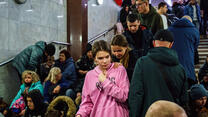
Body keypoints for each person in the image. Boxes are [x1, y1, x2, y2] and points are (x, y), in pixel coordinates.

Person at [129, 29, 188, 117]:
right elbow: (184, 100)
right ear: (171, 44)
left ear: (153, 43)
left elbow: (136, 94)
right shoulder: (181, 69)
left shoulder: (142, 63)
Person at [76, 40, 129, 117]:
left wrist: (105, 82)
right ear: (95, 59)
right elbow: (87, 102)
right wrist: (80, 114)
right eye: (100, 58)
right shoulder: (90, 75)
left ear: (111, 55)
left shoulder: (119, 69)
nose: (105, 61)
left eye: (107, 57)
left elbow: (124, 96)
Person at [168, 16, 200, 87]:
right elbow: (195, 46)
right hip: (188, 64)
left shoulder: (169, 29)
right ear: (190, 22)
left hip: (172, 66)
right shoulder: (194, 31)